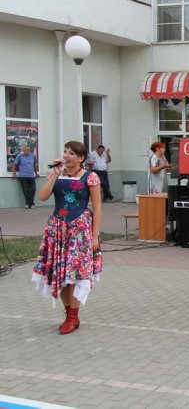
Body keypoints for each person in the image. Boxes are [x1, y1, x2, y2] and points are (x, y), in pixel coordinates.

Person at [32, 141, 102, 335]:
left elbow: (97, 207)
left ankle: (73, 317)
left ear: (81, 158)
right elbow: (42, 197)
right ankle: (69, 314)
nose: (66, 156)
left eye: (71, 153)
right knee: (60, 273)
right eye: (65, 152)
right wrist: (54, 175)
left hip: (79, 230)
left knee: (75, 273)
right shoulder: (57, 174)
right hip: (58, 229)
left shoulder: (90, 177)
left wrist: (95, 235)